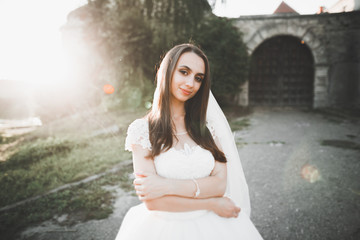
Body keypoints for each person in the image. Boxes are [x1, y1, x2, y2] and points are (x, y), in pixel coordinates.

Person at [115, 43, 263, 240]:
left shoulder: (209, 128)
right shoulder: (142, 131)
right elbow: (153, 202)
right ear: (167, 72)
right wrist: (210, 203)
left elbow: (220, 185)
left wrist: (166, 186)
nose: (191, 83)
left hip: (214, 228)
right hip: (163, 228)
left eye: (198, 78)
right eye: (184, 72)